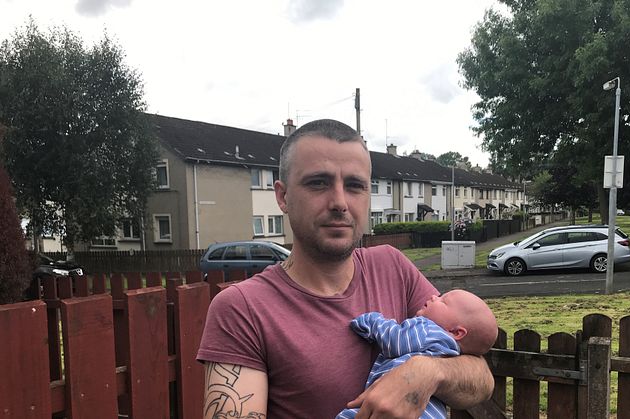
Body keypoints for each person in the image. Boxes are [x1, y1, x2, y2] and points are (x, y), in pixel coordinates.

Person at [197, 119, 494, 418]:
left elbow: (481, 377)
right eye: (318, 183)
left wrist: (427, 372)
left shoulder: (392, 266)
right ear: (283, 196)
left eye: (354, 186)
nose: (339, 202)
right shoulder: (242, 309)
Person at [337, 289, 498, 419]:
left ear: (456, 332)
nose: (434, 296)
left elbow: (395, 340)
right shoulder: (450, 352)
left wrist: (372, 321)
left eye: (444, 301)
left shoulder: (427, 329)